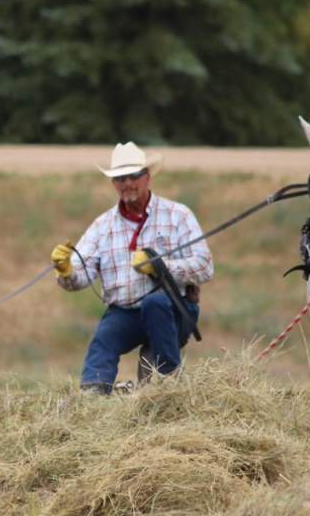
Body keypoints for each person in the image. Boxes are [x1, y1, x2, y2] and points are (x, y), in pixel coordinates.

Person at [50, 142, 214, 393]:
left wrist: (160, 267)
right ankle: (91, 397)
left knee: (154, 303)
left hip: (174, 309)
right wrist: (66, 271)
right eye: (120, 178)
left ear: (147, 177)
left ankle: (171, 387)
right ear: (113, 183)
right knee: (104, 339)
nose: (127, 182)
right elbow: (81, 276)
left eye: (134, 175)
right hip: (124, 313)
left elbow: (205, 266)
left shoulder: (178, 215)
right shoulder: (102, 226)